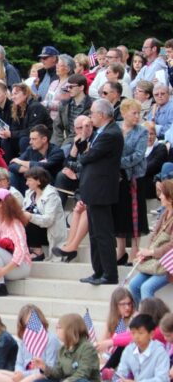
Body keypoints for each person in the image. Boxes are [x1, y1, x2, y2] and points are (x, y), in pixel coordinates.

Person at [78, 99, 124, 286]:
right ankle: (98, 271)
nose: (91, 117)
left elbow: (88, 157)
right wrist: (85, 138)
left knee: (103, 234)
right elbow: (86, 154)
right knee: (95, 234)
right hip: (94, 189)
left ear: (102, 114)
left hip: (101, 190)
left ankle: (109, 273)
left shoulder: (111, 134)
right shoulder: (101, 132)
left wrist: (86, 153)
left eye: (93, 113)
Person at [0, 304, 61, 382]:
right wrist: (19, 373)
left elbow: (49, 369)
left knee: (37, 376)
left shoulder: (51, 339)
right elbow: (19, 363)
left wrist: (24, 375)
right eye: (26, 325)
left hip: (42, 377)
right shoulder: (24, 340)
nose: (30, 328)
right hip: (23, 376)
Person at [26, 314, 100, 382]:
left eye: (59, 327)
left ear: (70, 329)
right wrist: (44, 367)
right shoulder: (62, 349)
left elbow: (82, 375)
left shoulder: (87, 348)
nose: (56, 330)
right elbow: (58, 373)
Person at [114, 98, 148, 265]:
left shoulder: (142, 132)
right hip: (117, 179)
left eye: (139, 113)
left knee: (135, 215)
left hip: (134, 177)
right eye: (134, 113)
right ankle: (120, 252)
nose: (137, 116)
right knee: (119, 215)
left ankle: (134, 252)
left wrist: (117, 163)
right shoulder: (116, 128)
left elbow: (138, 155)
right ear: (124, 113)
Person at [127, 179, 173, 303]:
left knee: (146, 288)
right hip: (156, 262)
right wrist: (146, 253)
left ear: (170, 196)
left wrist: (151, 252)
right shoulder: (165, 214)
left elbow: (171, 246)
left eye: (162, 193)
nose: (160, 196)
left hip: (169, 265)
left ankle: (151, 321)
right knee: (133, 285)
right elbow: (153, 238)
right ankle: (142, 317)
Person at [103, 314, 171, 382]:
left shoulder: (160, 352)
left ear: (151, 334)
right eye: (133, 333)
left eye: (140, 333)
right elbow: (122, 372)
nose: (136, 337)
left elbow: (162, 380)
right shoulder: (129, 349)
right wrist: (118, 379)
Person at [0, 188, 31, 297]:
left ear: (1, 204)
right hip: (0, 266)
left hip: (20, 267)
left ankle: (0, 286)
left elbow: (20, 252)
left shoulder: (15, 223)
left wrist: (3, 271)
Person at [22, 167, 67, 261]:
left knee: (30, 217)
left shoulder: (51, 195)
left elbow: (48, 220)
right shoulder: (29, 193)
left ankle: (37, 251)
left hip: (49, 232)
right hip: (36, 231)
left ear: (38, 181)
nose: (26, 183)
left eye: (29, 180)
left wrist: (30, 216)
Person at [0, 83, 52, 160]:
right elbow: (14, 128)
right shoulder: (17, 107)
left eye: (16, 94)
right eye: (12, 94)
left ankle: (26, 165)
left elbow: (33, 130)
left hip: (42, 136)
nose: (13, 97)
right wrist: (6, 133)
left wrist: (11, 134)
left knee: (24, 140)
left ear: (26, 93)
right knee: (6, 140)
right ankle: (9, 165)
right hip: (25, 135)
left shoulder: (36, 107)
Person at [9, 124, 65, 194]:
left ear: (44, 139)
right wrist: (31, 169)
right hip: (31, 183)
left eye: (34, 139)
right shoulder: (30, 150)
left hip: (49, 186)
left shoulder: (57, 152)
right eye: (30, 139)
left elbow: (45, 167)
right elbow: (12, 165)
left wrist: (20, 162)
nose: (30, 142)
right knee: (12, 174)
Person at [52, 73, 93, 149]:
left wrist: (63, 146)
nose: (68, 89)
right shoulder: (64, 105)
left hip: (82, 141)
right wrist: (55, 146)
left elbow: (82, 131)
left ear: (81, 87)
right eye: (67, 87)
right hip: (66, 141)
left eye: (71, 87)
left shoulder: (92, 106)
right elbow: (57, 127)